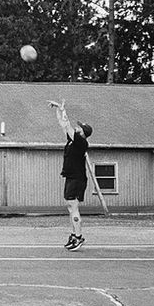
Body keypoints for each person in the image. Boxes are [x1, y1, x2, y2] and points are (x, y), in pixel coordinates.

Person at [48, 100, 92, 251]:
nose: (77, 127)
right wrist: (58, 110)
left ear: (83, 132)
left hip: (77, 179)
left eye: (80, 127)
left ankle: (79, 237)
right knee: (69, 206)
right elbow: (63, 124)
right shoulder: (72, 141)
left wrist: (63, 109)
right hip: (71, 177)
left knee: (73, 207)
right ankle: (73, 235)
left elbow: (67, 125)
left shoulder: (81, 142)